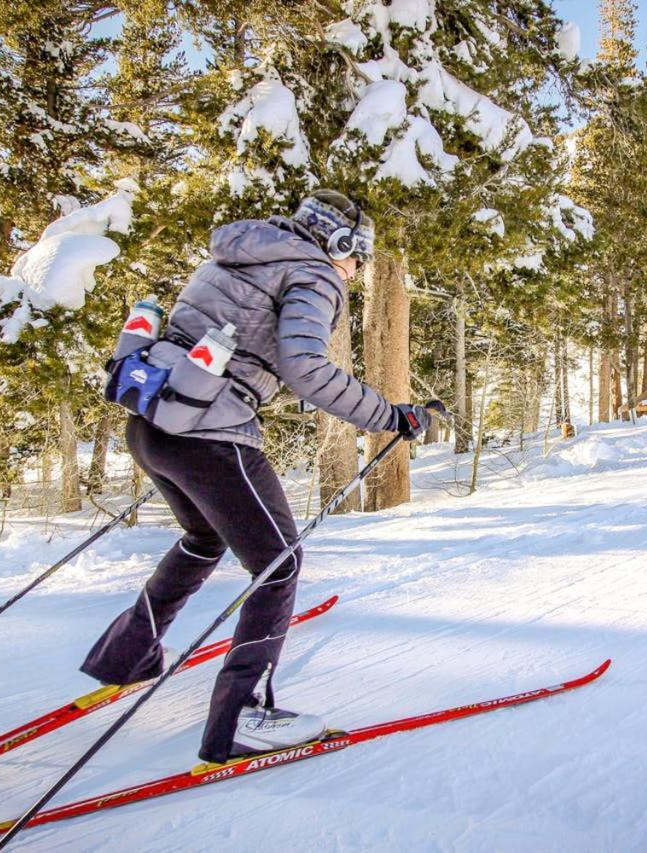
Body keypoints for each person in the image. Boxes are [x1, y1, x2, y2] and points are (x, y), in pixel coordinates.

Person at [82, 189, 434, 764]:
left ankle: (127, 655)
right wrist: (391, 415)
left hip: (153, 423)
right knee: (278, 566)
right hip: (212, 437)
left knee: (204, 538)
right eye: (357, 257)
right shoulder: (314, 273)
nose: (356, 271)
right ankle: (241, 718)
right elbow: (307, 369)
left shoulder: (240, 252)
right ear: (339, 244)